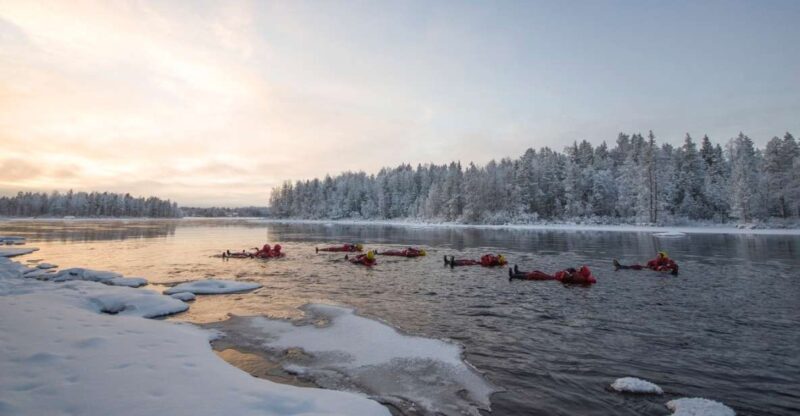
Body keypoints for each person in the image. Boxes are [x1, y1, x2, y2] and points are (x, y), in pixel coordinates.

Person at [614, 251, 679, 275]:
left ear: (663, 257)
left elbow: (673, 266)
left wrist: (662, 268)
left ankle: (621, 267)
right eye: (658, 255)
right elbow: (650, 262)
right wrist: (649, 266)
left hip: (661, 272)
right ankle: (620, 266)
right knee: (637, 266)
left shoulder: (668, 261)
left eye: (659, 256)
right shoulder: (657, 260)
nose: (658, 256)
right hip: (651, 269)